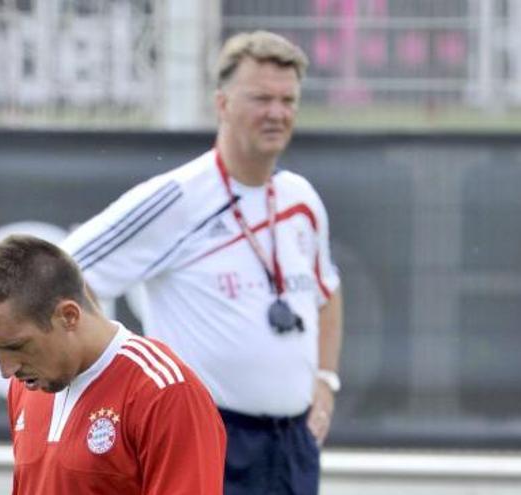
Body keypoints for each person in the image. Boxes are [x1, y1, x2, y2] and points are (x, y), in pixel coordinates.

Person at [61, 30, 343, 494]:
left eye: (288, 100)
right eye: (260, 98)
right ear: (222, 103)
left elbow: (327, 292)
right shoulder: (177, 197)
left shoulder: (300, 200)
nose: (277, 112)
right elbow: (65, 271)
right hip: (206, 436)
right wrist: (128, 383)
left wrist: (326, 381)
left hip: (293, 444)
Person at [0, 234, 227, 495]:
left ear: (69, 316)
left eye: (16, 346)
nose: (5, 369)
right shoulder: (27, 384)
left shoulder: (166, 393)